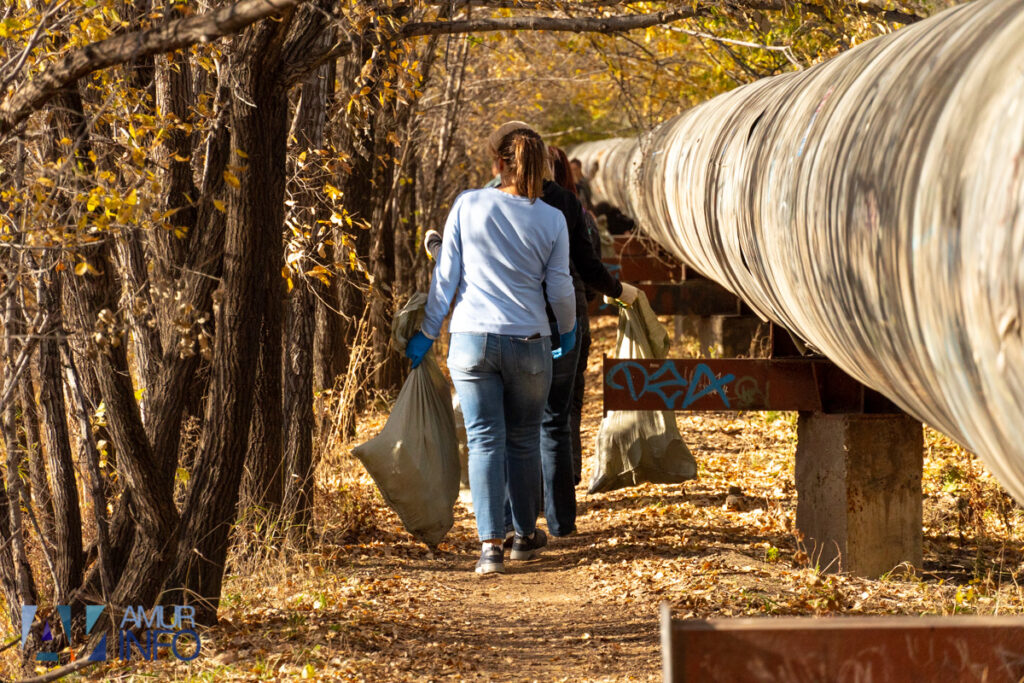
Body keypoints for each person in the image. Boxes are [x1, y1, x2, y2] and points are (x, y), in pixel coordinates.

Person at [406, 122, 577, 575]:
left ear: (498, 163)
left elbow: (446, 278)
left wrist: (426, 333)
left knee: (483, 442)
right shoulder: (552, 218)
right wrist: (567, 330)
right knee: (523, 440)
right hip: (531, 341)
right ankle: (524, 536)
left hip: (472, 340)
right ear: (540, 168)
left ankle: (490, 549)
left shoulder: (468, 205)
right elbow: (560, 286)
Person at [536, 145, 637, 538]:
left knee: (531, 414)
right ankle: (566, 488)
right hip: (573, 315)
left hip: (526, 318)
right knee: (563, 409)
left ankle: (530, 507)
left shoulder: (511, 209)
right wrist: (614, 290)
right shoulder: (578, 214)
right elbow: (592, 264)